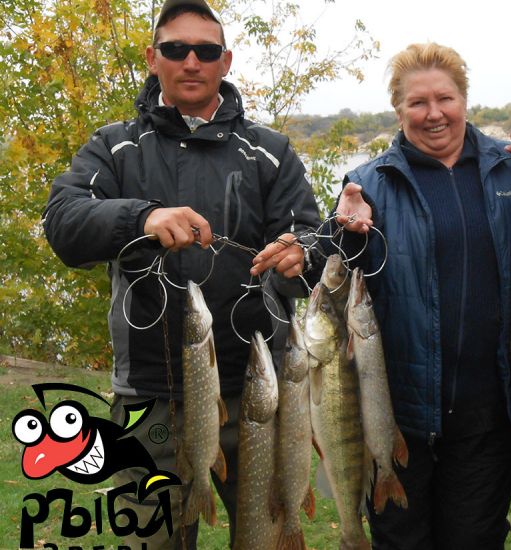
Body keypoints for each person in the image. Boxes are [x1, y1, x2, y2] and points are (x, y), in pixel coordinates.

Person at [43, 0, 321, 547]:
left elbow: (310, 243)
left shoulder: (269, 152)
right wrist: (141, 216)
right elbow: (64, 224)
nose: (191, 61)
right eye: (175, 49)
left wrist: (300, 256)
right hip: (150, 395)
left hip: (256, 390)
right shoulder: (115, 147)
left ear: (226, 61)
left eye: (206, 50)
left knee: (266, 535)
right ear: (153, 58)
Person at [331, 42, 511, 550]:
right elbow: (330, 280)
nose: (433, 113)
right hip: (396, 422)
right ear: (399, 110)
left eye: (445, 99)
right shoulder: (369, 183)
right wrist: (343, 230)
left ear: (464, 100)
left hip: (488, 416)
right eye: (418, 103)